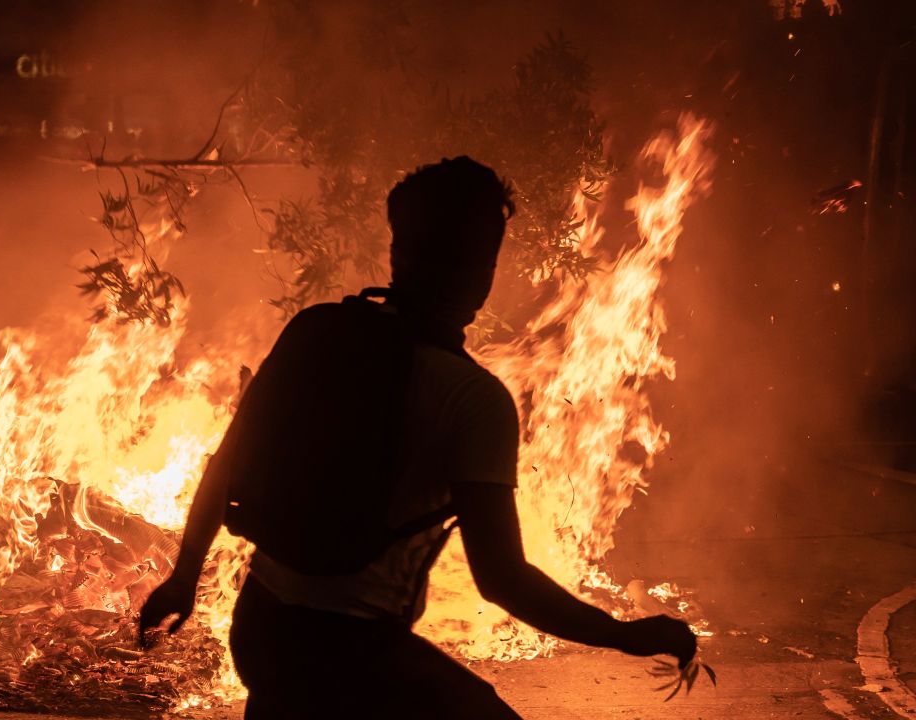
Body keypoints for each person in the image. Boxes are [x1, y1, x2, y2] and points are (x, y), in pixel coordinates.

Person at [139, 157, 698, 719]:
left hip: (260, 631)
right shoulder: (473, 398)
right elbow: (503, 579)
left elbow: (224, 465)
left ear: (398, 251)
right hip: (355, 655)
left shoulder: (315, 333)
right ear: (485, 267)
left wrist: (183, 578)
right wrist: (620, 634)